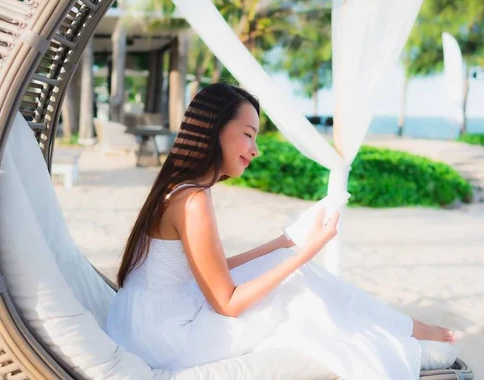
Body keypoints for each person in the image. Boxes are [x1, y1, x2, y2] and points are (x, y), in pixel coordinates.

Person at [106, 83, 455, 379]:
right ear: (215, 129)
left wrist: (282, 243)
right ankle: (406, 333)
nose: (255, 150)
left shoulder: (179, 187)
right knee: (296, 285)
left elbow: (208, 269)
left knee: (285, 263)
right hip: (167, 338)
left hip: (143, 322)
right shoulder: (194, 199)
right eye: (247, 135)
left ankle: (403, 328)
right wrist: (307, 251)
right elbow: (226, 303)